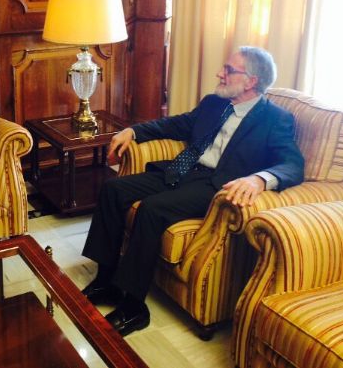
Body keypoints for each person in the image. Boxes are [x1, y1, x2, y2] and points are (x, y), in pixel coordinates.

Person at [81, 46, 304, 336]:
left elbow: (293, 165)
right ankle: (106, 281)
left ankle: (134, 307)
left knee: (152, 209)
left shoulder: (275, 119)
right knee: (113, 189)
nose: (220, 73)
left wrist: (259, 180)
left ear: (251, 81)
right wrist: (133, 131)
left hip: (215, 185)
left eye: (228, 70)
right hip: (183, 170)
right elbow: (176, 124)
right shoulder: (214, 103)